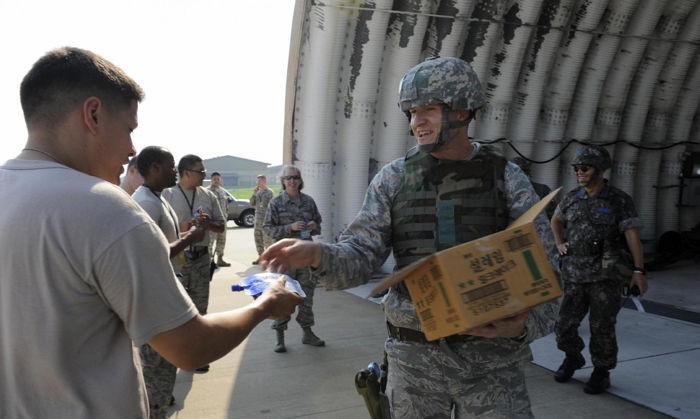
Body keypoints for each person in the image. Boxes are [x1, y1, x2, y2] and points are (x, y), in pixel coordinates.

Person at [0, 47, 303, 418]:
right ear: (93, 114)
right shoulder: (105, 209)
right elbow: (190, 347)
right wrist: (266, 304)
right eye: (128, 129)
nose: (130, 151)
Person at [260, 56, 560, 417]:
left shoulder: (507, 179)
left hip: (492, 365)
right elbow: (360, 255)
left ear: (462, 111)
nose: (417, 122)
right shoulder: (394, 178)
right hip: (414, 362)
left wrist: (523, 328)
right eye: (412, 112)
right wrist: (318, 255)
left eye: (429, 110)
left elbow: (547, 270)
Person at [550, 144, 648, 394]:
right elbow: (556, 220)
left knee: (602, 326)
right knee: (564, 325)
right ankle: (573, 357)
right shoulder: (572, 198)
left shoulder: (618, 200)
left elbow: (632, 235)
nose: (579, 172)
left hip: (606, 274)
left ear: (601, 170)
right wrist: (560, 243)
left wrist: (638, 271)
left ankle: (601, 371)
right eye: (576, 168)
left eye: (584, 168)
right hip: (574, 272)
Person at [132, 146, 206, 417]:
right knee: (156, 366)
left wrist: (187, 229)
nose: (175, 171)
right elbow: (150, 254)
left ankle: (161, 400)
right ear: (154, 168)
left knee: (166, 363)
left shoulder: (157, 197)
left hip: (168, 285)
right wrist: (188, 240)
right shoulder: (146, 203)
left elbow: (164, 235)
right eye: (171, 165)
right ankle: (156, 407)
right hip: (155, 295)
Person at [263, 165, 325, 352]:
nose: (292, 181)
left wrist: (313, 225)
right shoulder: (276, 203)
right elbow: (267, 229)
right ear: (283, 181)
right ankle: (280, 337)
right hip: (285, 259)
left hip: (306, 258)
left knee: (307, 296)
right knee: (283, 297)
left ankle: (308, 333)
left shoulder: (308, 202)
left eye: (295, 177)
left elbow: (318, 224)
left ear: (300, 180)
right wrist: (291, 227)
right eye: (288, 178)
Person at [162, 155, 225, 318]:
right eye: (201, 171)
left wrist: (208, 224)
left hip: (201, 260)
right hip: (178, 260)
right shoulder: (167, 195)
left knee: (201, 310)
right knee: (177, 311)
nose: (204, 175)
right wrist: (188, 226)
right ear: (187, 172)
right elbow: (158, 230)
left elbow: (221, 226)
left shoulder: (209, 195)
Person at [208, 171, 231, 267]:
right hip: (213, 222)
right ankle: (209, 262)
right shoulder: (207, 191)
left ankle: (220, 259)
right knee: (210, 242)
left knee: (222, 240)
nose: (216, 181)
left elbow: (225, 205)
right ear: (211, 180)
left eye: (218, 179)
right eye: (214, 179)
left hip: (223, 221)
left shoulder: (222, 191)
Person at [250, 174, 274, 264]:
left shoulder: (269, 192)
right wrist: (254, 194)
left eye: (260, 181)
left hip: (266, 220)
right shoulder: (258, 192)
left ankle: (269, 258)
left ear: (264, 181)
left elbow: (272, 207)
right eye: (257, 181)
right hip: (257, 220)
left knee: (267, 240)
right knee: (258, 238)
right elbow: (251, 203)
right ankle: (261, 256)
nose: (258, 183)